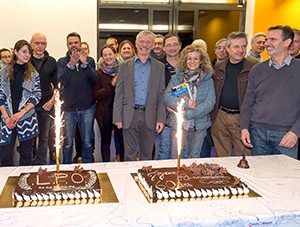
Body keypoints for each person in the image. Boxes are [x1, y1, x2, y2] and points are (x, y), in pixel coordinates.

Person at [240, 25, 300, 160]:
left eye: (273, 39)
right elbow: (248, 102)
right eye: (267, 40)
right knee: (260, 175)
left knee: (285, 177)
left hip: (287, 135)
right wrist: (244, 127)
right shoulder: (257, 70)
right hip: (258, 134)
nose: (267, 43)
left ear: (287, 42)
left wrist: (295, 132)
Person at [113, 30, 166, 161]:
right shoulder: (125, 66)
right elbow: (119, 92)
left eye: (148, 42)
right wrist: (117, 117)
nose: (145, 45)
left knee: (147, 155)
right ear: (136, 44)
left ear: (153, 45)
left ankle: (145, 180)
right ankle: (129, 180)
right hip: (129, 115)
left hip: (150, 115)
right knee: (129, 155)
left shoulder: (159, 67)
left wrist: (161, 118)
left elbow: (161, 94)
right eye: (141, 41)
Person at [164, 44, 215, 159]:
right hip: (179, 122)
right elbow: (167, 97)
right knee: (175, 155)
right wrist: (186, 104)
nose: (192, 61)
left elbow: (210, 103)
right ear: (184, 60)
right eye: (189, 58)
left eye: (196, 58)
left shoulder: (208, 79)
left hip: (199, 124)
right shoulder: (177, 77)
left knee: (194, 157)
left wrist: (189, 113)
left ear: (201, 61)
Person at [211, 31, 256, 157]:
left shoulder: (254, 68)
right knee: (222, 156)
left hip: (242, 118)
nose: (241, 50)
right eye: (236, 46)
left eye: (243, 46)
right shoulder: (218, 68)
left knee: (243, 156)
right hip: (220, 116)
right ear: (227, 49)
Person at [57, 32, 98, 164]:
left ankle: (88, 167)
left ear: (80, 44)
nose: (73, 45)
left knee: (86, 141)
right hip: (68, 109)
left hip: (87, 107)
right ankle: (66, 167)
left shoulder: (89, 60)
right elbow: (61, 81)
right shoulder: (62, 62)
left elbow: (95, 80)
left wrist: (85, 64)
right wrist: (71, 65)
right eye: (70, 43)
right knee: (68, 142)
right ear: (67, 45)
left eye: (76, 43)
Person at [0, 39, 41, 166]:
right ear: (16, 52)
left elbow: (37, 95)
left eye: (29, 52)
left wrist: (21, 113)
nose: (27, 55)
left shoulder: (33, 73)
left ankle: (25, 183)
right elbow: (0, 95)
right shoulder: (3, 72)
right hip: (7, 118)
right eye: (24, 52)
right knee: (5, 155)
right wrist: (6, 117)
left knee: (26, 154)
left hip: (27, 118)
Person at [30, 32, 57, 165]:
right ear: (31, 44)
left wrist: (52, 101)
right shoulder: (26, 60)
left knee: (44, 138)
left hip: (46, 105)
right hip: (28, 106)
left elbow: (58, 85)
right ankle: (29, 164)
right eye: (37, 43)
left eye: (43, 43)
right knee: (30, 138)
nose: (40, 46)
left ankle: (39, 165)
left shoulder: (51, 61)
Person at [93, 44, 124, 162]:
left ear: (115, 55)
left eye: (110, 54)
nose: (108, 57)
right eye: (105, 55)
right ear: (102, 57)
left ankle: (123, 165)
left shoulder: (123, 70)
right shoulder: (98, 73)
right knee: (106, 140)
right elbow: (96, 95)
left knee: (122, 139)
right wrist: (112, 84)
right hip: (105, 111)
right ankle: (106, 166)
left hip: (120, 110)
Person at [157, 34, 182, 160]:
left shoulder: (187, 65)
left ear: (180, 46)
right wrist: (166, 104)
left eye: (175, 44)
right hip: (166, 113)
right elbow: (155, 90)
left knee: (181, 149)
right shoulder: (158, 66)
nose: (172, 48)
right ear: (164, 48)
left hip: (185, 113)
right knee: (164, 148)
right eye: (168, 45)